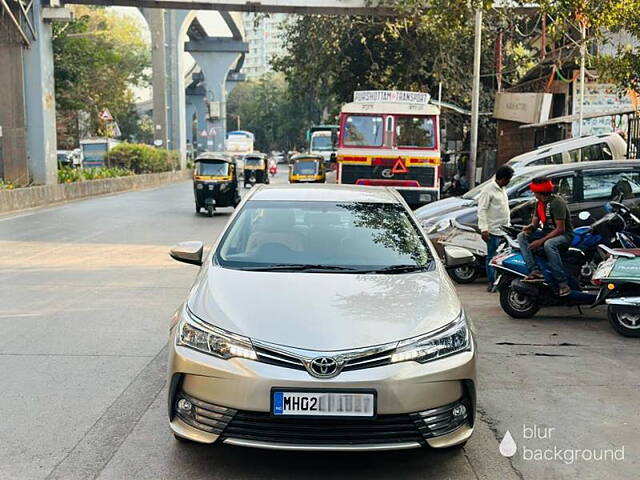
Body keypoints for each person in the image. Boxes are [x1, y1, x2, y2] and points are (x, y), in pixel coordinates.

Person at [517, 177, 575, 297]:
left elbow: (560, 229)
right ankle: (535, 271)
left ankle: (562, 283)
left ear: (539, 191)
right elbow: (535, 222)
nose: (533, 193)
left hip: (564, 236)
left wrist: (540, 241)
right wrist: (530, 228)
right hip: (547, 233)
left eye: (534, 191)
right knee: (522, 236)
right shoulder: (539, 203)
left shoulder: (557, 202)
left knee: (549, 244)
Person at [477, 165, 514, 292]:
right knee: (492, 257)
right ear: (503, 178)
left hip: (504, 229)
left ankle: (499, 282)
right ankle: (491, 282)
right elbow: (482, 210)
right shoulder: (488, 190)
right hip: (492, 230)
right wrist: (484, 229)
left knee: (502, 257)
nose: (509, 182)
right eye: (508, 179)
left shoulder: (502, 189)